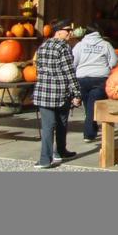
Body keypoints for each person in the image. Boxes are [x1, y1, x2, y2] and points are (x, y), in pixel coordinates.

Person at [32, 18, 81, 168]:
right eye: (68, 31)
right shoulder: (63, 47)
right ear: (59, 32)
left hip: (43, 91)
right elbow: (69, 72)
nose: (70, 33)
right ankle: (49, 157)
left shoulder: (42, 46)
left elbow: (39, 69)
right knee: (60, 123)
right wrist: (77, 93)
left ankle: (57, 153)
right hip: (60, 91)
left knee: (50, 125)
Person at [72, 21, 118, 143]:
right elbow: (114, 61)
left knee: (89, 106)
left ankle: (90, 132)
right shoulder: (105, 44)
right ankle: (89, 133)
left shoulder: (80, 45)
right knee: (92, 106)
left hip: (82, 78)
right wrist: (107, 67)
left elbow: (73, 62)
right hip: (100, 78)